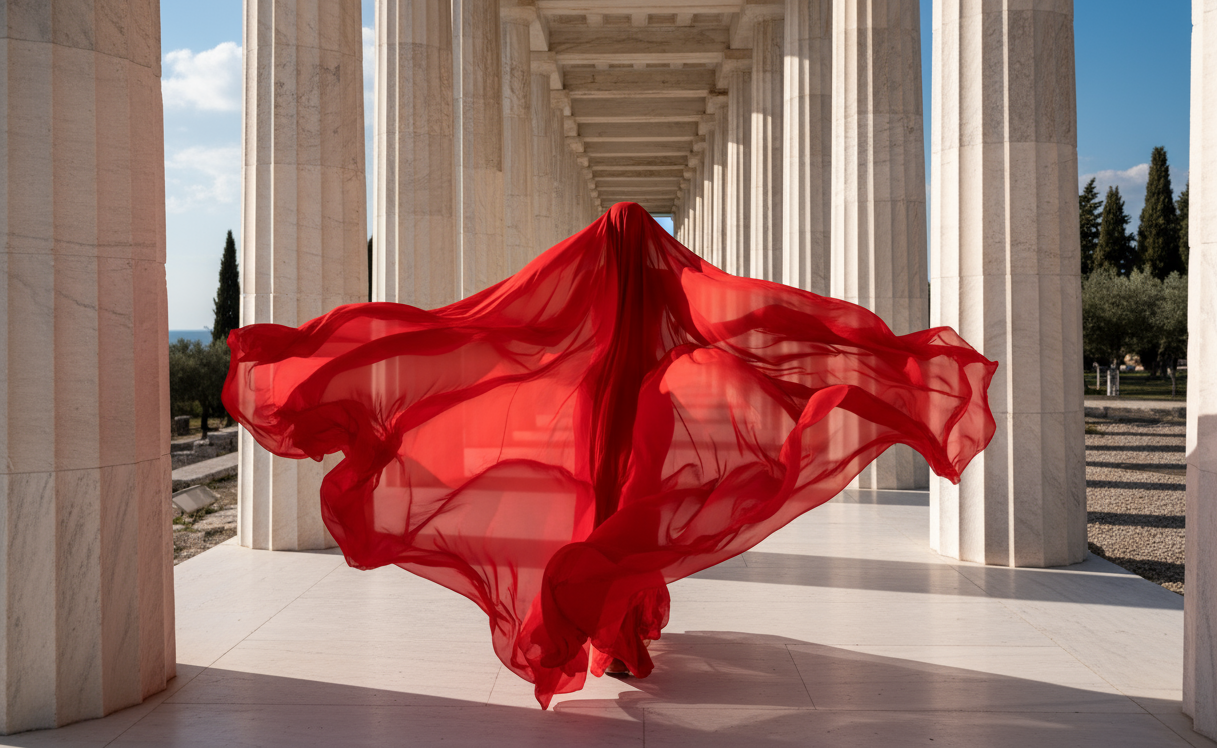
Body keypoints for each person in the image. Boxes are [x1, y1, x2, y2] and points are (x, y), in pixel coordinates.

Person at [224, 203, 996, 708]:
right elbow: (752, 315)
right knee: (633, 514)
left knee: (600, 508)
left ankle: (603, 633)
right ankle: (613, 633)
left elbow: (485, 326)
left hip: (599, 418)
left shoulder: (582, 311)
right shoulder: (676, 323)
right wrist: (857, 365)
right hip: (646, 419)